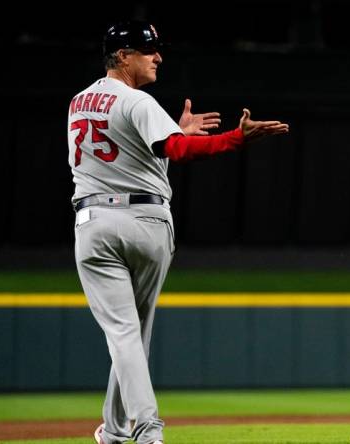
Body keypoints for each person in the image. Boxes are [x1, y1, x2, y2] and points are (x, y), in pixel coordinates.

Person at [68, 21, 289, 444]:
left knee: (124, 334)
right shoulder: (137, 100)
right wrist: (235, 140)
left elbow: (128, 157)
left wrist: (175, 133)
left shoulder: (78, 102)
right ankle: (145, 431)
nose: (157, 56)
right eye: (147, 50)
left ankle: (116, 430)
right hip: (147, 224)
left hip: (93, 223)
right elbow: (179, 151)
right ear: (122, 56)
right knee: (133, 335)